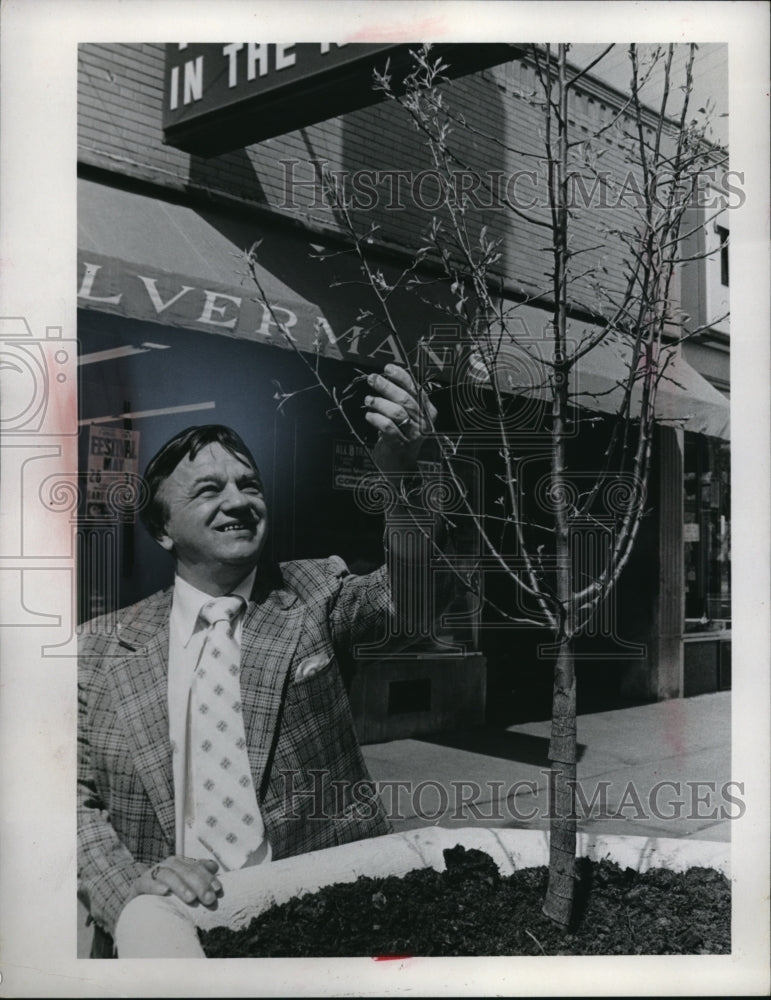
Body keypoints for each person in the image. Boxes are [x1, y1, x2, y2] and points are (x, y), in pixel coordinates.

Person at [77, 364, 440, 956]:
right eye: (209, 490)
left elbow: (412, 601)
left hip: (329, 925)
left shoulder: (314, 593)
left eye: (250, 485)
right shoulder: (98, 648)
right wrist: (130, 894)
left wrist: (404, 477)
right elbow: (71, 801)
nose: (239, 501)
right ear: (162, 529)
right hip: (175, 939)